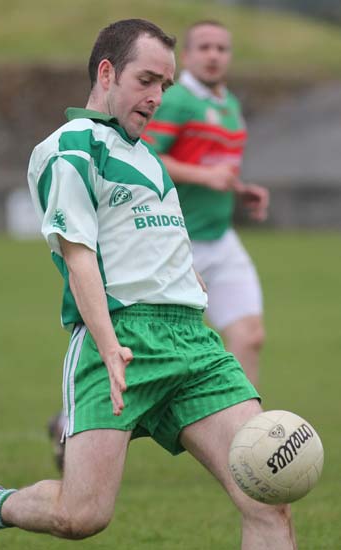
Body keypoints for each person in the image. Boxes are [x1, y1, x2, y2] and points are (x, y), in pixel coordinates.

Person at [0, 19, 296, 550]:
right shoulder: (70, 149)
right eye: (147, 80)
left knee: (266, 492)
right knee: (82, 514)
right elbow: (79, 256)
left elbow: (157, 241)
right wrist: (109, 345)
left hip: (195, 344)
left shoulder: (146, 155)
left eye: (166, 86)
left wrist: (188, 278)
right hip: (121, 339)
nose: (158, 97)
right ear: (107, 72)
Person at [142, 20, 268, 388]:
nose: (213, 55)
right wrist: (204, 177)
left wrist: (239, 189)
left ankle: (244, 436)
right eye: (205, 47)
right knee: (154, 353)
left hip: (221, 237)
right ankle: (71, 423)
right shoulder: (177, 101)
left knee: (249, 336)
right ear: (186, 56)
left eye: (221, 48)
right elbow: (144, 157)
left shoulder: (228, 104)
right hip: (176, 242)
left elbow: (214, 167)